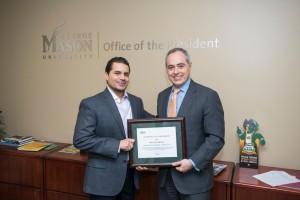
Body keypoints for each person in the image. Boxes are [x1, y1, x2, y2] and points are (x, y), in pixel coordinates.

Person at [73, 57, 152, 200]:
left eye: (126, 74)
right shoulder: (91, 104)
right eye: (117, 73)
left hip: (130, 177)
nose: (122, 77)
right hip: (103, 180)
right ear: (106, 75)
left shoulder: (136, 102)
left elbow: (150, 124)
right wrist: (117, 144)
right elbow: (80, 140)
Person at [157, 48, 225, 200]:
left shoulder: (208, 96)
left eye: (180, 66)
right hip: (166, 180)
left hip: (195, 182)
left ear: (190, 66)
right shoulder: (162, 97)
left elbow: (216, 138)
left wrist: (192, 162)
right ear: (166, 70)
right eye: (171, 67)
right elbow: (161, 130)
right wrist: (146, 159)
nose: (176, 71)